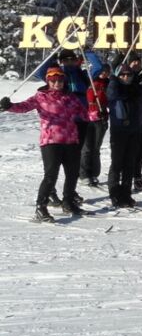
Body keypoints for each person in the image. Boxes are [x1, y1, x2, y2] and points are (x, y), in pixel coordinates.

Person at [1, 66, 89, 221]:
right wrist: (9, 106)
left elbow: (84, 114)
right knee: (51, 175)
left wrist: (98, 113)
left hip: (70, 140)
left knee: (72, 174)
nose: (57, 83)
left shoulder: (71, 97)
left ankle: (68, 202)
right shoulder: (40, 96)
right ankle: (41, 207)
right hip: (51, 141)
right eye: (53, 80)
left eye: (60, 80)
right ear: (48, 81)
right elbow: (23, 107)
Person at [106, 65, 142, 208]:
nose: (126, 77)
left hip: (134, 130)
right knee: (117, 163)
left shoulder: (136, 89)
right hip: (119, 131)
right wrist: (113, 79)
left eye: (129, 75)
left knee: (129, 164)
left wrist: (141, 79)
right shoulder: (115, 88)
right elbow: (111, 95)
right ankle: (114, 193)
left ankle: (126, 194)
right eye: (122, 75)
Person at [80, 62, 110, 187]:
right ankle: (84, 174)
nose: (104, 73)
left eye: (106, 71)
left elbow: (111, 101)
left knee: (96, 148)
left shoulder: (109, 84)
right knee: (87, 147)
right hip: (87, 118)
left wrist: (105, 111)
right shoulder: (89, 81)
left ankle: (94, 173)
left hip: (100, 118)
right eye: (102, 71)